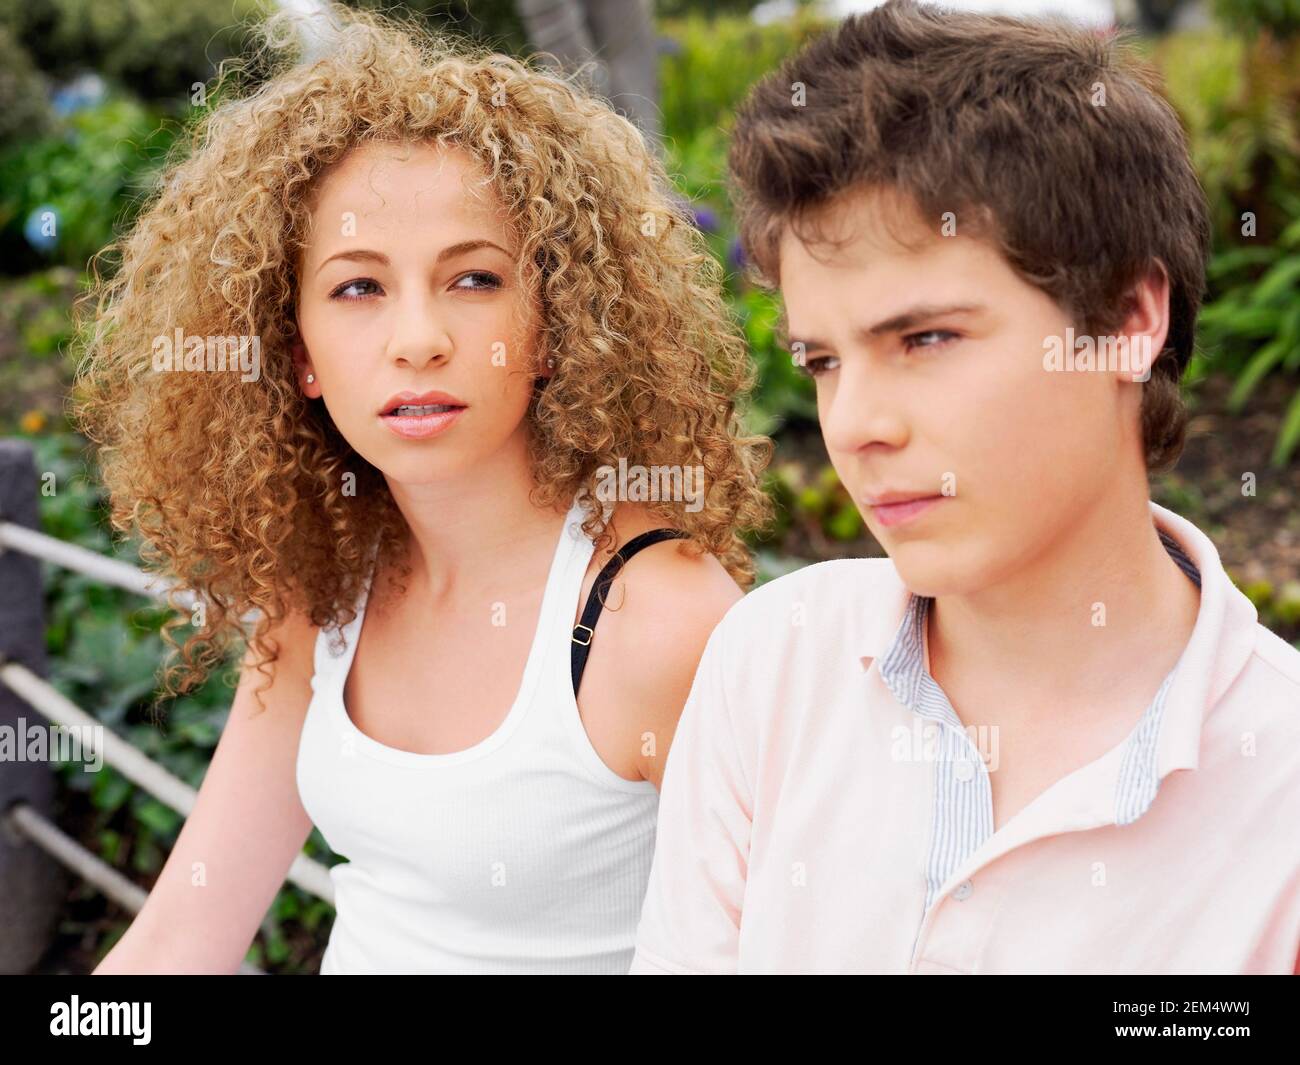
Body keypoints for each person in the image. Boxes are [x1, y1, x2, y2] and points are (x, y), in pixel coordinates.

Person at [75, 2, 771, 974]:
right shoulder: (319, 595)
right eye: (358, 288)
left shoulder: (656, 624)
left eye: (474, 279)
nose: (418, 340)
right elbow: (186, 932)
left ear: (553, 326)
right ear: (299, 356)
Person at [630, 0, 1300, 974]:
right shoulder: (770, 668)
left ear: (1126, 318)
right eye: (820, 360)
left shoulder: (1277, 785)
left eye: (925, 339)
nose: (854, 424)